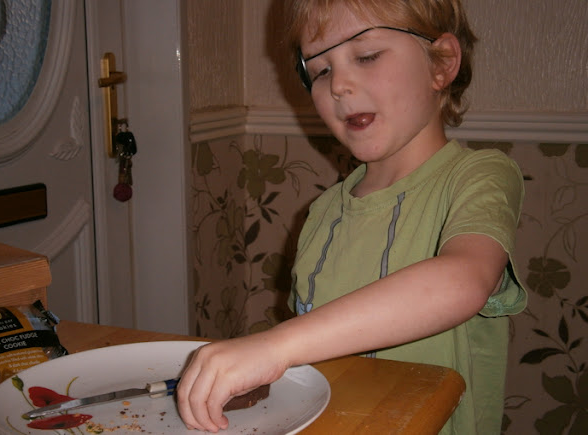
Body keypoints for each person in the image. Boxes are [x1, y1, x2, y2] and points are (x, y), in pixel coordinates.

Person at [177, 0, 527, 433]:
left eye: (365, 56)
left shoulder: (479, 177)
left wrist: (273, 346)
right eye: (319, 70)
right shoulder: (322, 213)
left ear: (442, 63)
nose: (339, 84)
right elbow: (313, 345)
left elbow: (463, 279)